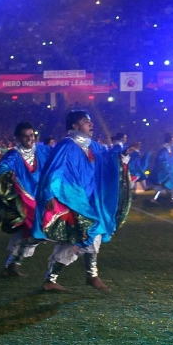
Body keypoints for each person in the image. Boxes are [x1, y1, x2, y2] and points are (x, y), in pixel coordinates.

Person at [35, 111, 131, 292]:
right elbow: (53, 170)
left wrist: (123, 154)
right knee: (87, 233)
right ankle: (89, 276)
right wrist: (49, 194)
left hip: (89, 199)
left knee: (81, 237)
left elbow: (107, 160)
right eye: (86, 121)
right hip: (72, 198)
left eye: (91, 121)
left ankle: (58, 278)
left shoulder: (93, 146)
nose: (91, 124)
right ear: (75, 126)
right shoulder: (66, 145)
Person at [0, 122, 53, 278]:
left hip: (41, 198)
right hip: (25, 200)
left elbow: (58, 160)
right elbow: (2, 167)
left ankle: (11, 266)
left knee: (28, 233)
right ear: (18, 137)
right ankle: (13, 266)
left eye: (32, 135)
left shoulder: (43, 150)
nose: (30, 139)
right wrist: (7, 174)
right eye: (25, 136)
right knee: (38, 231)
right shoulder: (14, 155)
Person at [147, 133, 173, 205]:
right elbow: (161, 161)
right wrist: (167, 168)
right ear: (169, 141)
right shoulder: (163, 150)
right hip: (165, 172)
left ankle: (158, 199)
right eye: (172, 140)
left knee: (168, 185)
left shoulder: (170, 150)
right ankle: (171, 199)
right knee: (172, 184)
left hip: (170, 171)